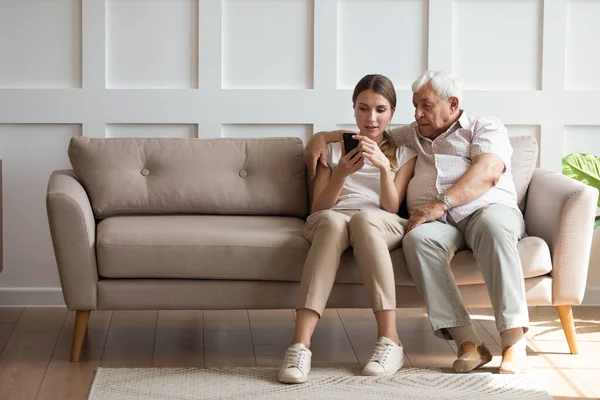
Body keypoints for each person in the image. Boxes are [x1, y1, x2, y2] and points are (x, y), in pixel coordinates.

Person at [304, 70, 529, 374]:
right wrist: (321, 137)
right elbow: (371, 131)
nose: (418, 114)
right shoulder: (411, 134)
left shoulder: (483, 127)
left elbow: (487, 172)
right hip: (438, 224)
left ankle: (513, 341)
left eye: (426, 106)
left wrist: (440, 204)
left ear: (453, 103)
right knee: (417, 240)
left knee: (493, 228)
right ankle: (468, 342)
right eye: (414, 106)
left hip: (485, 210)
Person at [278, 74, 416, 384]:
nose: (371, 118)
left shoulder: (405, 154)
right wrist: (340, 172)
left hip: (379, 220)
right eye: (363, 108)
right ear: (353, 110)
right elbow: (319, 208)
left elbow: (392, 207)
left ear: (392, 112)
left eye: (380, 109)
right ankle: (300, 345)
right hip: (334, 216)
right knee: (332, 222)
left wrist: (382, 167)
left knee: (364, 220)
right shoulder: (332, 149)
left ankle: (390, 341)